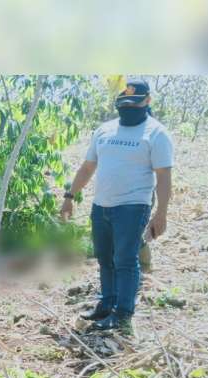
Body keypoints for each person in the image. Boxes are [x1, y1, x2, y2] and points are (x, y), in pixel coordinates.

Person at [60, 78, 174, 335]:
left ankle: (123, 313)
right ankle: (107, 303)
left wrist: (161, 213)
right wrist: (70, 196)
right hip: (101, 206)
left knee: (124, 259)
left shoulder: (156, 133)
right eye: (123, 104)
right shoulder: (105, 130)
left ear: (147, 101)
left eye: (134, 103)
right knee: (104, 258)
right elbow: (88, 167)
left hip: (133, 207)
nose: (128, 108)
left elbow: (164, 176)